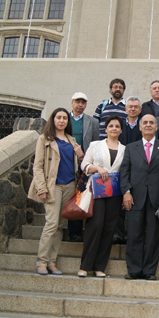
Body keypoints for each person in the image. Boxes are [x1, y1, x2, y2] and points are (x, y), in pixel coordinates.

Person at [28, 108, 84, 275]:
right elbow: (37, 166)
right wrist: (41, 188)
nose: (61, 120)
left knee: (60, 225)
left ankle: (52, 262)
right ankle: (42, 262)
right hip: (52, 186)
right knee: (51, 224)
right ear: (53, 120)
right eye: (58, 117)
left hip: (69, 185)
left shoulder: (71, 140)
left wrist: (80, 155)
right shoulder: (44, 139)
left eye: (65, 118)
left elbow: (79, 163)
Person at [120, 114, 159, 280]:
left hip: (157, 199)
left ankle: (149, 271)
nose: (148, 125)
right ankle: (134, 270)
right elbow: (124, 172)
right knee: (134, 234)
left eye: (152, 123)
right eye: (145, 123)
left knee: (153, 236)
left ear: (157, 127)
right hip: (135, 197)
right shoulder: (130, 147)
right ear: (140, 127)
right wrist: (126, 192)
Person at [78, 115, 126, 278]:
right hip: (96, 190)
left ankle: (100, 267)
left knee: (109, 228)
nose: (114, 128)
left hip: (114, 192)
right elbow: (84, 164)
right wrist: (97, 168)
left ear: (120, 130)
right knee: (95, 225)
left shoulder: (124, 149)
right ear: (105, 129)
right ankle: (85, 266)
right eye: (111, 126)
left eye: (117, 126)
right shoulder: (95, 145)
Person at [68, 92, 100, 243]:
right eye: (77, 101)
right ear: (72, 103)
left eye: (83, 102)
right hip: (66, 164)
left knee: (81, 196)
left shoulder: (92, 122)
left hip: (84, 164)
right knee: (70, 197)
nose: (80, 104)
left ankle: (83, 230)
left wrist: (87, 160)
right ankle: (72, 230)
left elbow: (95, 144)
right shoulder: (63, 119)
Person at [113, 96, 143, 245]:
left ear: (140, 109)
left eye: (135, 106)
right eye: (130, 106)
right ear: (125, 109)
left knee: (135, 200)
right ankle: (118, 233)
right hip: (120, 166)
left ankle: (132, 234)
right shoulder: (119, 125)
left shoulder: (143, 125)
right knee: (119, 201)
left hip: (138, 167)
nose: (132, 109)